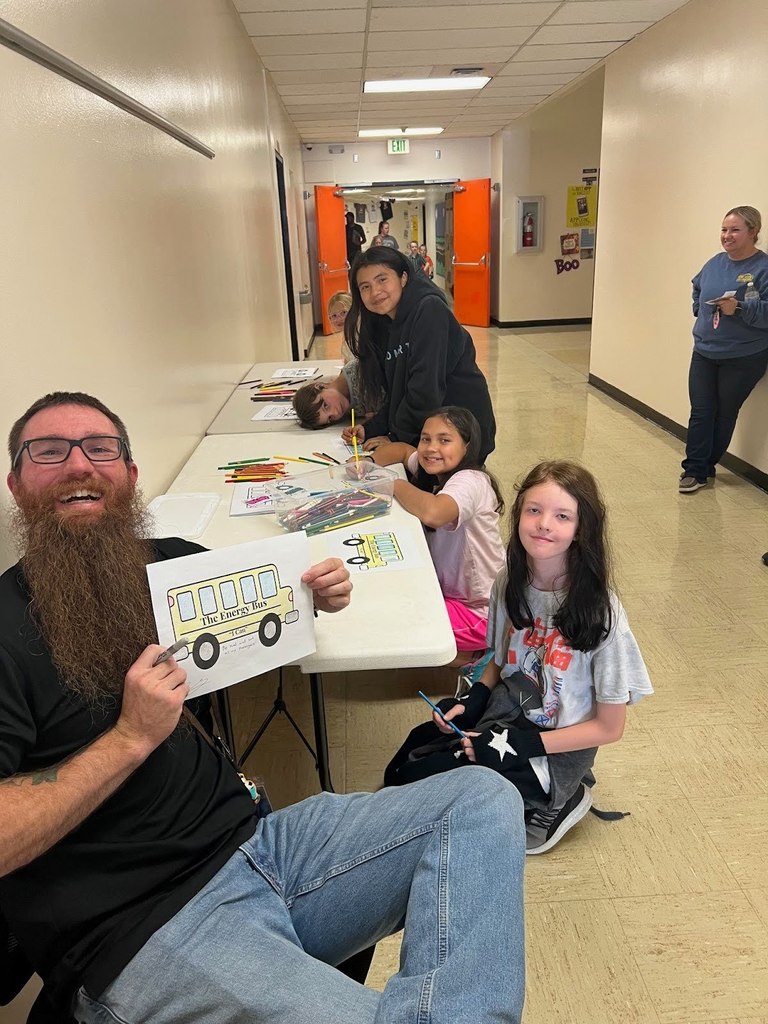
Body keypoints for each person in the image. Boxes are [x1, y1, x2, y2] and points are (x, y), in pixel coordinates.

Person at [0, 391, 527, 1024]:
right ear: (16, 482)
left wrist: (316, 595)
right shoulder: (5, 629)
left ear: (130, 476)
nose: (80, 465)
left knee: (481, 799)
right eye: (49, 452)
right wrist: (129, 738)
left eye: (100, 448)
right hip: (148, 927)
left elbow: (266, 601)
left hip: (261, 848)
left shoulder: (163, 563)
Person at [384, 461, 653, 856]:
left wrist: (522, 744)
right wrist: (472, 700)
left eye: (562, 516)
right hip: (508, 717)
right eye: (534, 510)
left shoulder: (601, 614)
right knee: (405, 767)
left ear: (582, 530)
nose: (544, 524)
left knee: (423, 796)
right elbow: (499, 657)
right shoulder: (508, 582)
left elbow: (609, 728)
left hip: (549, 747)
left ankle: (560, 800)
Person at [371, 407, 504, 661]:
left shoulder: (470, 480)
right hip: (454, 594)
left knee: (392, 627)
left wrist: (392, 483)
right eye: (425, 438)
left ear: (468, 445)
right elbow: (401, 450)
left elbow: (434, 513)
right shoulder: (433, 467)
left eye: (444, 440)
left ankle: (478, 655)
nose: (431, 448)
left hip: (482, 611)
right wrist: (368, 464)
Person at [341, 247, 496, 461]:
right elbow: (400, 392)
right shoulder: (384, 322)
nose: (375, 292)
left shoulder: (429, 310)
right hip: (431, 430)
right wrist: (371, 428)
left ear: (403, 278)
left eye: (382, 280)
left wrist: (396, 438)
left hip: (461, 432)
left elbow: (425, 390)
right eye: (365, 287)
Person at [680, 205, 768, 493]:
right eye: (724, 229)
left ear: (753, 232)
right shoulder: (715, 263)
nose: (727, 236)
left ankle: (705, 467)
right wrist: (700, 309)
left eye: (734, 230)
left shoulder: (763, 268)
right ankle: (694, 470)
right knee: (701, 411)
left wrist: (740, 308)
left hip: (743, 357)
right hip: (705, 351)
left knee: (724, 413)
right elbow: (697, 286)